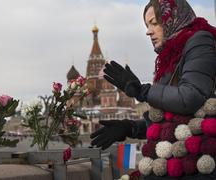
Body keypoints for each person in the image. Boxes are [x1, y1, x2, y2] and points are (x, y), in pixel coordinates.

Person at [90, 0, 216, 179]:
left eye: (154, 23)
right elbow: (170, 118)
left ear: (172, 19)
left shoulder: (199, 42)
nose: (148, 31)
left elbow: (191, 97)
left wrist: (142, 91)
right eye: (147, 25)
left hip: (195, 163)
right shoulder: (170, 57)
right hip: (175, 161)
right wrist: (130, 128)